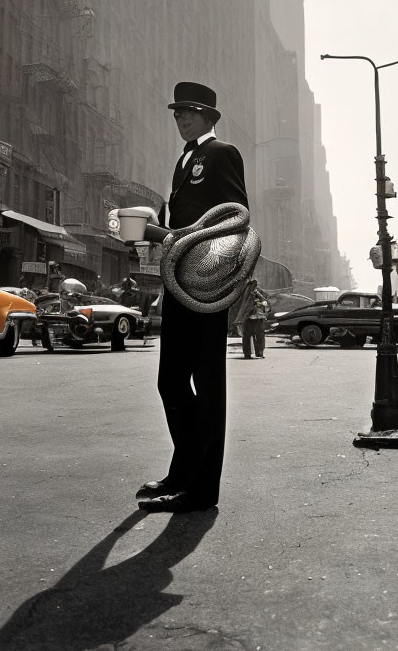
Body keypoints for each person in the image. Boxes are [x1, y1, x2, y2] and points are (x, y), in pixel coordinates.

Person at [138, 81, 249, 514]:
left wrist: (177, 239)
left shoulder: (222, 154)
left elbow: (234, 218)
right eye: (177, 113)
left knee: (207, 385)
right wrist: (152, 233)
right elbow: (177, 228)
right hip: (178, 285)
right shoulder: (183, 162)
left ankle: (201, 491)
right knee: (170, 381)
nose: (180, 119)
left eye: (188, 112)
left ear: (208, 117)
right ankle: (182, 471)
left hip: (206, 285)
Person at [240, 286, 270, 359]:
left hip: (259, 319)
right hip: (248, 319)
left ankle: (259, 352)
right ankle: (247, 353)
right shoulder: (244, 293)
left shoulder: (261, 293)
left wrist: (259, 300)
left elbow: (266, 305)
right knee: (247, 336)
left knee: (259, 336)